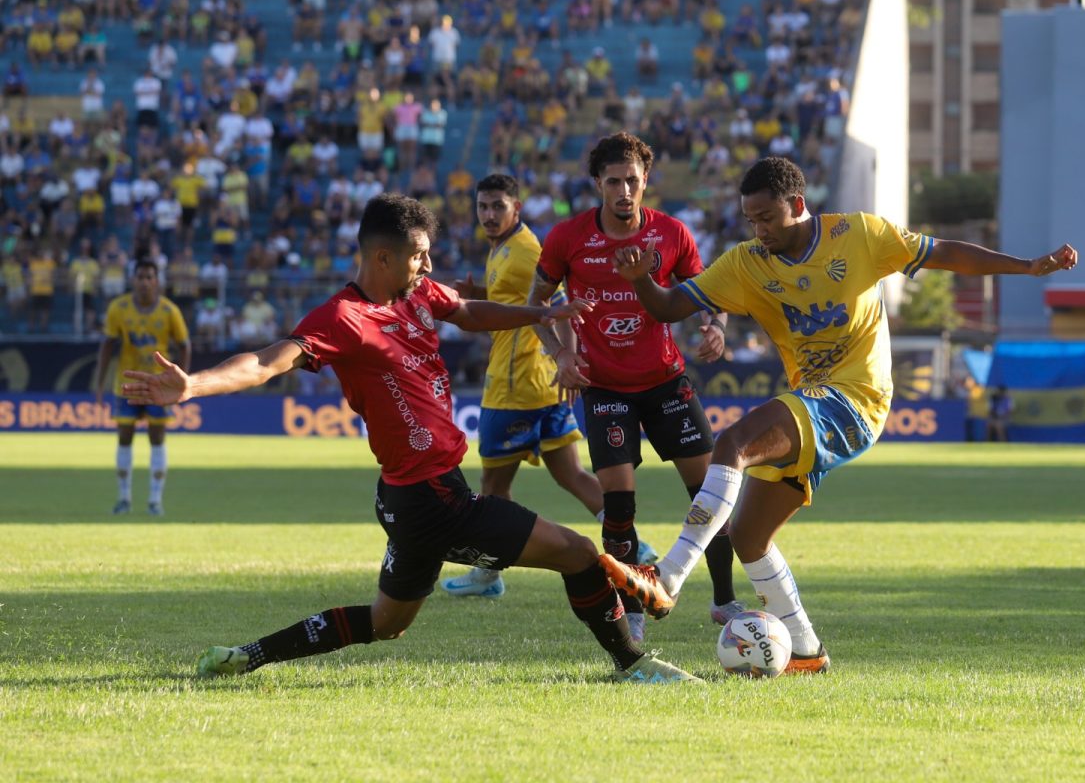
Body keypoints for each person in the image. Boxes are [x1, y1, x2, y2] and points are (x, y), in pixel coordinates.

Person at [122, 194, 693, 684]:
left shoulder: (416, 294)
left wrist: (540, 312)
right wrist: (193, 385)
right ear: (381, 256)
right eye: (418, 254)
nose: (428, 263)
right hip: (433, 501)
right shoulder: (344, 318)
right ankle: (634, 661)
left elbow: (468, 311)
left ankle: (246, 657)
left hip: (405, 497)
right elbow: (268, 362)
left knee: (386, 624)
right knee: (575, 553)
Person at [608, 156, 1080, 674]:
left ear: (798, 206)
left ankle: (668, 578)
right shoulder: (746, 263)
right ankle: (807, 652)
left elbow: (943, 252)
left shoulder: (860, 236)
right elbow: (669, 307)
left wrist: (1026, 267)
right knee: (748, 537)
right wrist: (641, 281)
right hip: (812, 402)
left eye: (767, 217)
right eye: (751, 220)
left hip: (858, 398)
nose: (759, 229)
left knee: (732, 444)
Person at [528, 132, 740, 642]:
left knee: (708, 494)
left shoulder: (671, 234)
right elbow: (539, 304)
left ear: (646, 182)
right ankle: (633, 610)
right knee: (619, 505)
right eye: (614, 181)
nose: (624, 191)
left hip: (666, 382)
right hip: (603, 389)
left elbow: (710, 293)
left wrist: (716, 327)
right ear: (597, 183)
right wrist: (562, 352)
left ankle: (724, 600)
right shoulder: (568, 238)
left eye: (633, 181)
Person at [440, 174, 657, 602]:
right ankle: (636, 545)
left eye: (498, 206)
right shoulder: (505, 247)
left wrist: (570, 357)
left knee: (492, 489)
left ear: (516, 209)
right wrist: (480, 292)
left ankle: (488, 574)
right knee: (570, 474)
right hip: (542, 384)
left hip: (515, 385)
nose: (488, 214)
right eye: (483, 206)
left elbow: (561, 305)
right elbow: (522, 301)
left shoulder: (524, 251)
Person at [95, 259, 191, 516]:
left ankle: (155, 501)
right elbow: (107, 345)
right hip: (126, 385)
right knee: (124, 436)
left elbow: (184, 345)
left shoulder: (169, 311)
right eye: (141, 277)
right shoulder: (119, 308)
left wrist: (184, 381)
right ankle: (124, 498)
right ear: (133, 280)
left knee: (157, 438)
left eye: (150, 277)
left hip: (159, 385)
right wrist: (99, 382)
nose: (145, 282)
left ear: (157, 281)